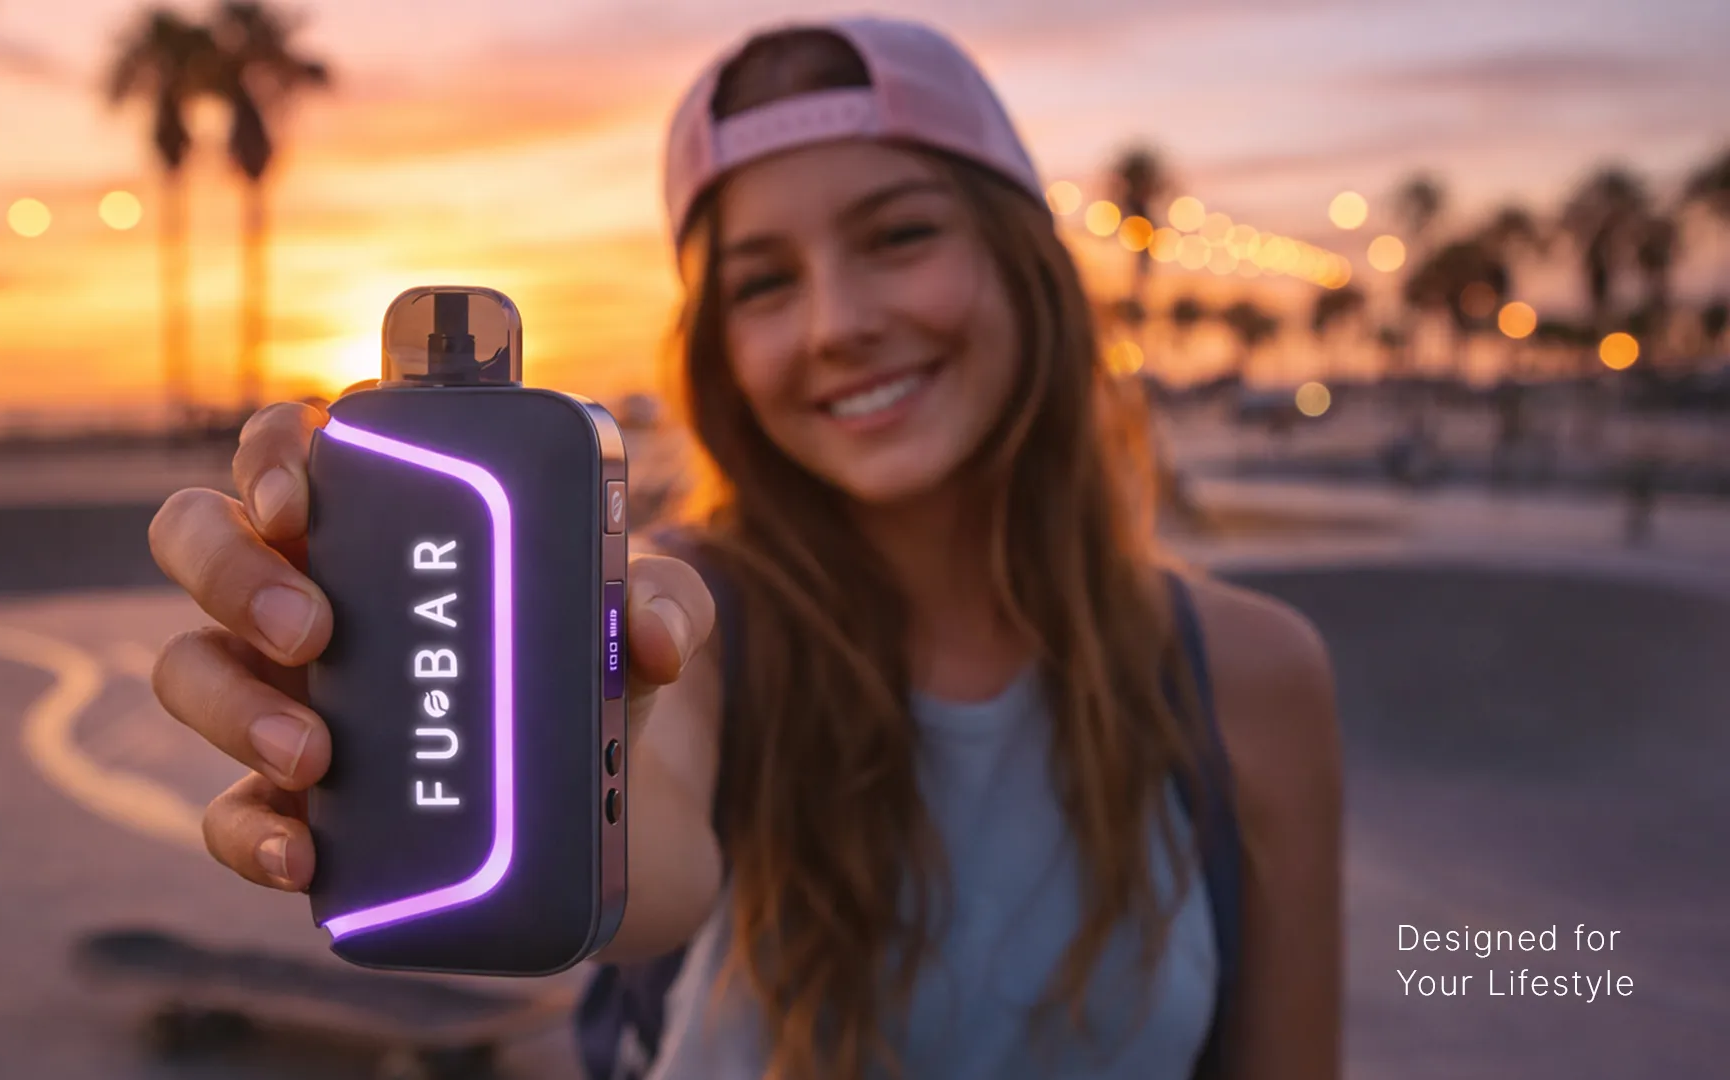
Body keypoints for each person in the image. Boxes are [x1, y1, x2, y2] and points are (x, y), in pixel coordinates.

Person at [146, 14, 1342, 1080]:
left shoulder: (1250, 674)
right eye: (765, 284)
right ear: (719, 349)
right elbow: (653, 857)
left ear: (1024, 263)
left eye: (900, 235)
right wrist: (541, 770)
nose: (838, 324)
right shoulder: (690, 620)